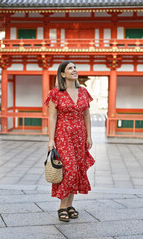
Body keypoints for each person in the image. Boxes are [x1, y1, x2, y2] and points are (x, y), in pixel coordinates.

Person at [45, 60, 95, 222]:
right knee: (70, 169)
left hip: (79, 136)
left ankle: (69, 205)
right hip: (63, 135)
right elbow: (52, 117)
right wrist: (51, 140)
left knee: (78, 169)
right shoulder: (55, 93)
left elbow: (86, 115)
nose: (74, 70)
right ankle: (62, 206)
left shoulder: (84, 92)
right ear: (62, 74)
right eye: (70, 68)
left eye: (75, 68)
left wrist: (89, 136)